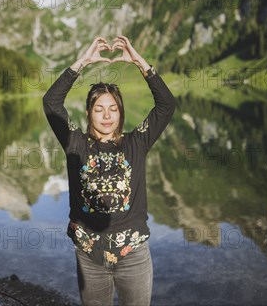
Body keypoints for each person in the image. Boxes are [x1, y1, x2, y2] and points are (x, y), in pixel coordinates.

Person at [43, 36, 177, 305]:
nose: (106, 115)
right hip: (89, 256)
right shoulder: (75, 143)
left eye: (113, 109)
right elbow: (51, 103)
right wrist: (82, 63)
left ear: (120, 112)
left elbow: (166, 105)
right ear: (89, 112)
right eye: (99, 109)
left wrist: (141, 64)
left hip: (134, 255)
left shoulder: (136, 142)